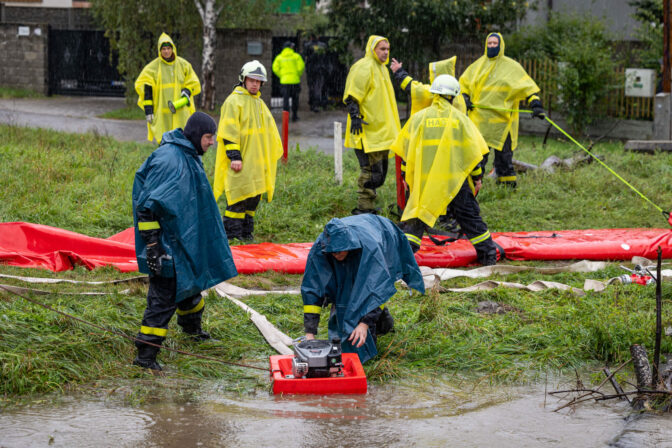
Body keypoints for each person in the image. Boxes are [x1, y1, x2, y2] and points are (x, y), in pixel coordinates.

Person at [132, 112, 238, 371]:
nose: (212, 142)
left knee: (190, 289)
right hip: (168, 247)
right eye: (208, 137)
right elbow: (146, 208)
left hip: (183, 241)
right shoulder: (171, 161)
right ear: (195, 135)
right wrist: (154, 247)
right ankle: (145, 357)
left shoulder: (187, 152)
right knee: (162, 299)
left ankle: (192, 331)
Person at [390, 74, 498, 265]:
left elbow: (406, 152)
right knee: (469, 217)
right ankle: (488, 256)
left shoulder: (418, 119)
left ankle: (402, 260)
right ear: (453, 96)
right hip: (454, 180)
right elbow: (473, 153)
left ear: (434, 94)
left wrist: (407, 176)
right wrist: (477, 177)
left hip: (425, 181)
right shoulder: (460, 120)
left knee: (416, 219)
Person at [301, 215, 425, 363]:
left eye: (340, 251)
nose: (336, 254)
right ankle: (379, 322)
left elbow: (378, 289)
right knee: (344, 300)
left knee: (368, 301)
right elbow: (312, 291)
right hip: (358, 241)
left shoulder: (371, 251)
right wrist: (310, 333)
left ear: (349, 245)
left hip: (383, 235)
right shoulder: (320, 251)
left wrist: (364, 324)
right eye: (333, 252)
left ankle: (382, 325)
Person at [460, 32, 545, 188]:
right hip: (480, 121)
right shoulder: (477, 66)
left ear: (501, 45)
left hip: (502, 123)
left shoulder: (511, 67)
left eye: (494, 43)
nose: (492, 46)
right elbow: (463, 85)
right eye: (489, 43)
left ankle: (507, 188)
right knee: (478, 156)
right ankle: (473, 187)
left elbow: (527, 88)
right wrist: (465, 98)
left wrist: (536, 105)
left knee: (504, 157)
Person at [214, 60, 283, 242]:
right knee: (237, 199)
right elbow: (228, 132)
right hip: (240, 163)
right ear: (243, 79)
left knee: (252, 201)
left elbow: (269, 135)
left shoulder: (259, 104)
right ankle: (231, 237)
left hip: (256, 166)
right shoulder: (233, 102)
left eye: (258, 81)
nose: (255, 84)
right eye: (252, 80)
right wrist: (234, 156)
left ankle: (246, 236)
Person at [343, 35, 401, 215]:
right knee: (370, 172)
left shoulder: (382, 69)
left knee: (380, 174)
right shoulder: (364, 67)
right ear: (372, 49)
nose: (385, 52)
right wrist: (355, 116)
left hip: (381, 133)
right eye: (382, 49)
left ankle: (368, 204)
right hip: (366, 131)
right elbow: (352, 94)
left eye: (387, 49)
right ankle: (364, 209)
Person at [135, 33, 201, 144]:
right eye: (164, 49)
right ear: (159, 51)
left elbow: (193, 82)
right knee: (165, 143)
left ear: (173, 49)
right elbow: (146, 89)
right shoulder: (153, 67)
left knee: (182, 141)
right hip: (162, 114)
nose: (166, 51)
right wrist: (148, 109)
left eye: (168, 48)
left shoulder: (183, 64)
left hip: (181, 111)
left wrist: (187, 91)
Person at [272, 41, 305, 122]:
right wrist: (297, 74)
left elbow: (275, 68)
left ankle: (285, 118)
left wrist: (281, 75)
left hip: (284, 82)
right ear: (291, 47)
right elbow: (301, 67)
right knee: (295, 99)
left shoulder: (279, 57)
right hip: (295, 81)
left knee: (285, 100)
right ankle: (294, 116)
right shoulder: (296, 56)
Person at [303, 34, 329, 112]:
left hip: (311, 69)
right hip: (320, 69)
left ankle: (313, 104)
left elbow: (305, 56)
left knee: (312, 87)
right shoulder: (323, 45)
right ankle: (317, 104)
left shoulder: (307, 45)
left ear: (311, 37)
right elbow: (325, 57)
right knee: (318, 87)